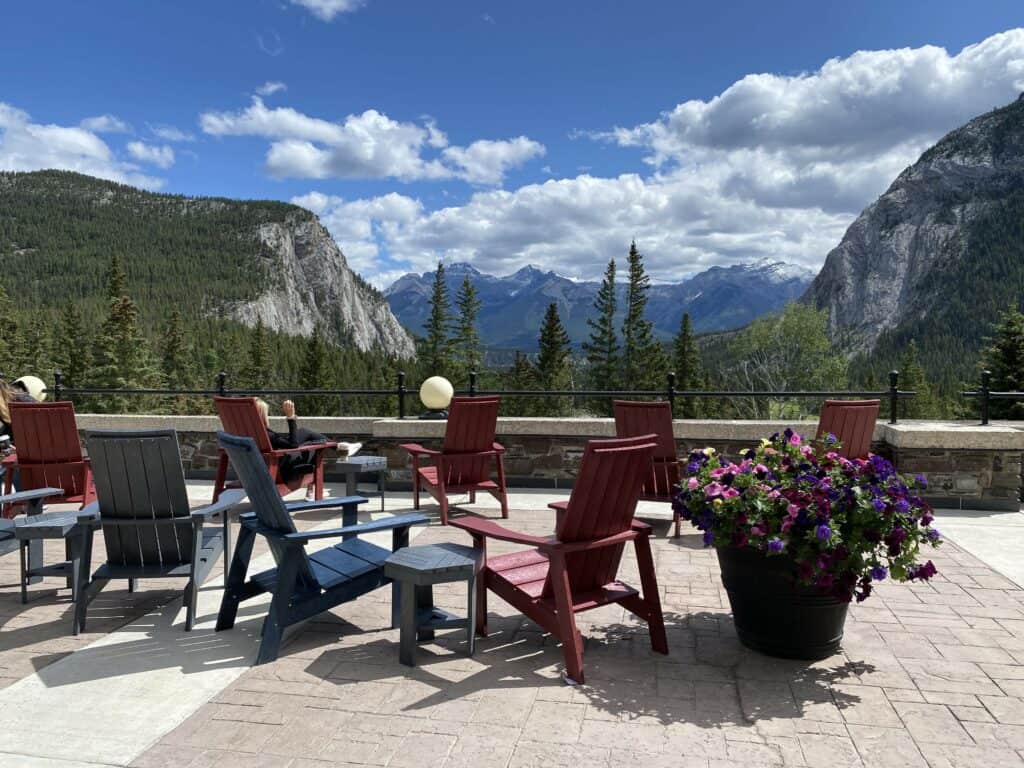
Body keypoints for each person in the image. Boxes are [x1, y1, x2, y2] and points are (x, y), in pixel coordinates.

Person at [255, 399, 361, 499]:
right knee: (312, 445)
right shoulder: (267, 434)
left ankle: (341, 447)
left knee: (304, 432)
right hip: (281, 472)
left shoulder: (250, 434)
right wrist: (290, 418)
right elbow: (293, 445)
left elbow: (286, 443)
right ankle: (341, 448)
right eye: (266, 414)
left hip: (261, 472)